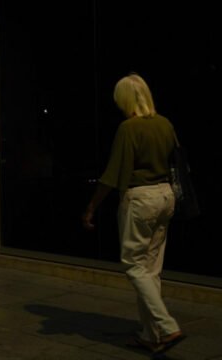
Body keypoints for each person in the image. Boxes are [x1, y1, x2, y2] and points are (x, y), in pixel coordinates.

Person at [82, 73, 186, 354]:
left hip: (140, 199)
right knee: (151, 270)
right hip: (165, 196)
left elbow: (113, 174)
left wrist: (91, 207)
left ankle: (166, 325)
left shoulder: (128, 128)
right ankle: (152, 335)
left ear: (125, 100)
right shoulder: (165, 123)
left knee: (133, 265)